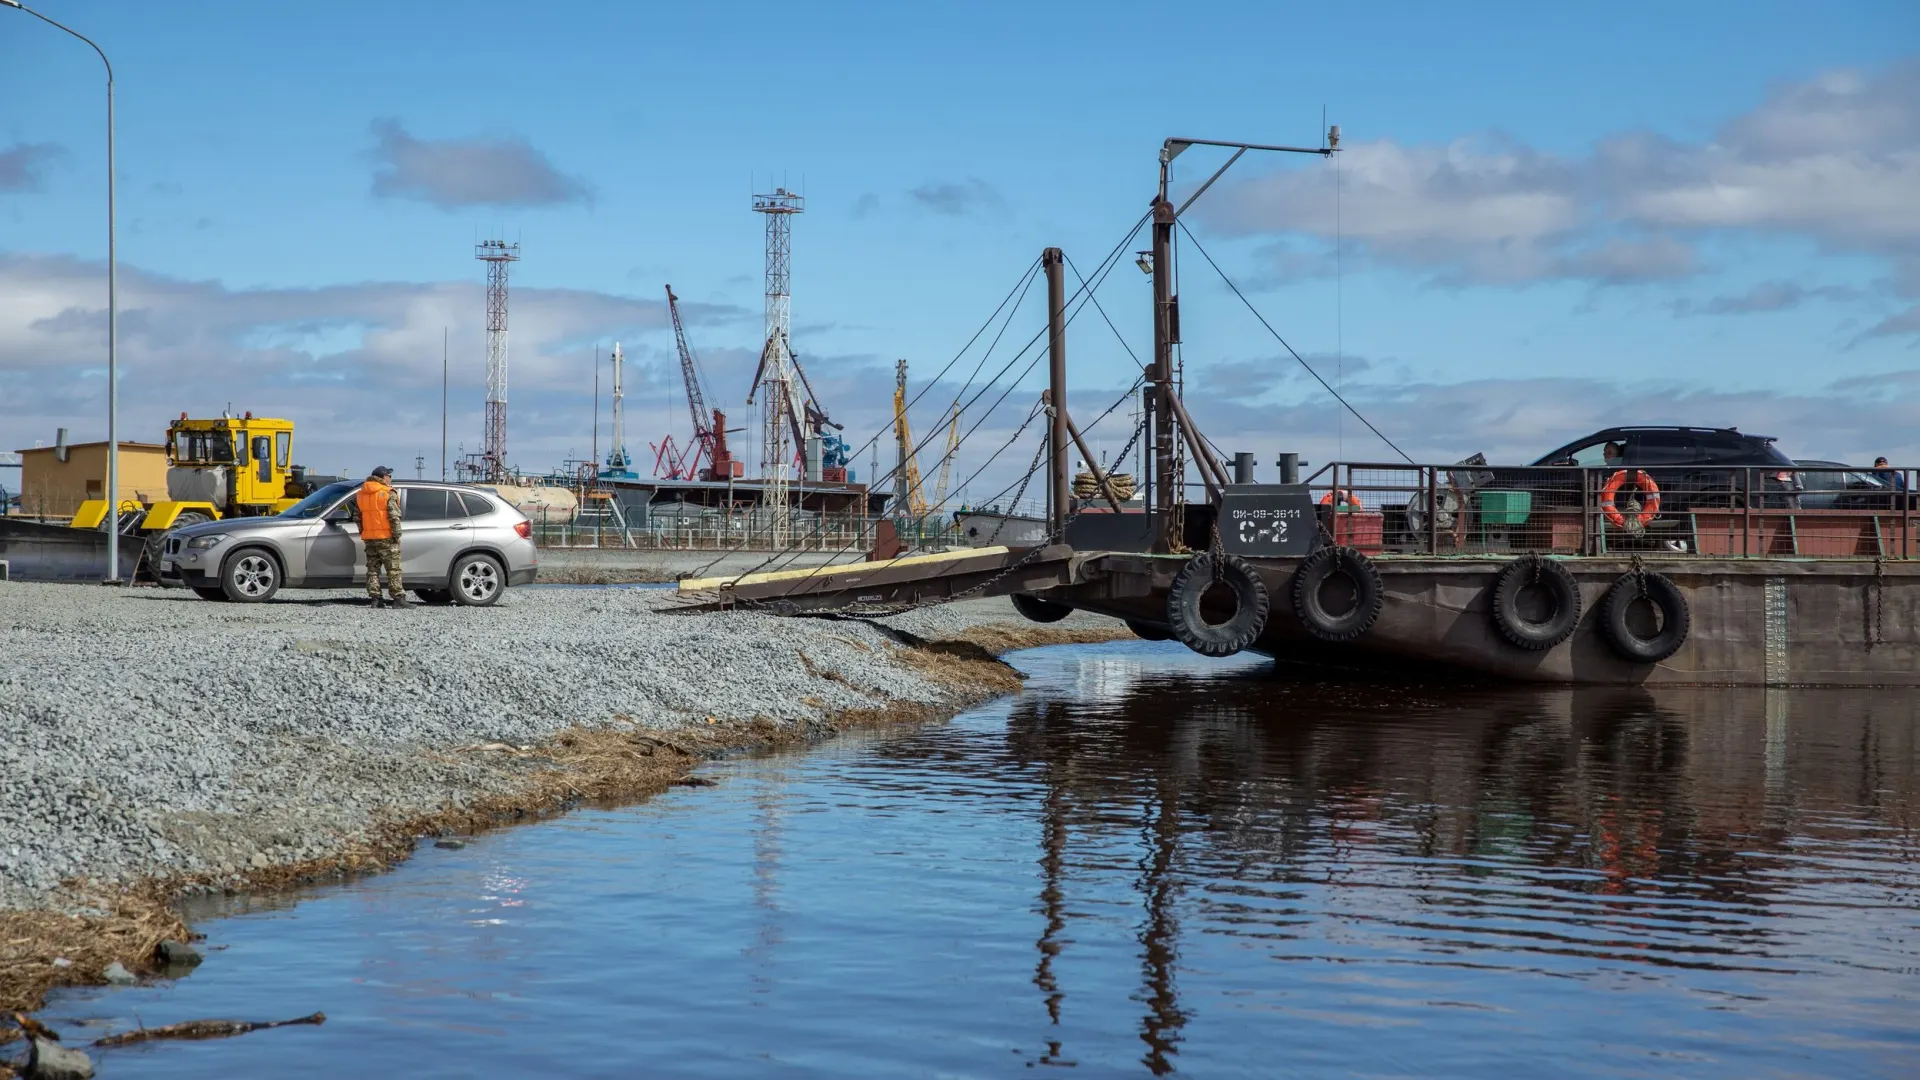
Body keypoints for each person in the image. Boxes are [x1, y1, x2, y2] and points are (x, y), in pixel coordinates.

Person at [349, 465, 405, 608]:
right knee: (393, 569)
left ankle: (375, 599)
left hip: (370, 538)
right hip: (387, 537)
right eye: (389, 476)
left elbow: (357, 517)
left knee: (373, 569)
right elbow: (394, 517)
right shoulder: (388, 493)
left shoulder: (361, 494)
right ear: (383, 477)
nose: (390, 478)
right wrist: (397, 535)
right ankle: (398, 599)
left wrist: (364, 532)